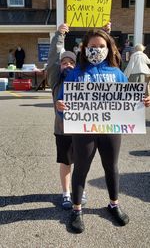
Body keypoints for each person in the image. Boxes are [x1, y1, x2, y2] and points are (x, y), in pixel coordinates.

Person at [56, 29, 150, 233]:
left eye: (101, 46)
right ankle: (76, 209)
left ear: (108, 49)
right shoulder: (75, 73)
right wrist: (61, 107)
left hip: (111, 130)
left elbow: (129, 102)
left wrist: (141, 102)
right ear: (85, 49)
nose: (97, 50)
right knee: (80, 168)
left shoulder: (117, 74)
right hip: (84, 131)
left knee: (111, 167)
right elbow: (62, 103)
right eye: (92, 47)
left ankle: (113, 204)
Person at [46, 23, 87, 209]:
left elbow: (94, 59)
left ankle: (80, 190)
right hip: (62, 130)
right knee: (65, 162)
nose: (67, 65)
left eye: (71, 62)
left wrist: (105, 33)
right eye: (64, 63)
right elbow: (53, 58)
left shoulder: (80, 77)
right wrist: (59, 35)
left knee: (80, 163)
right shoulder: (55, 79)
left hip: (81, 130)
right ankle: (66, 193)